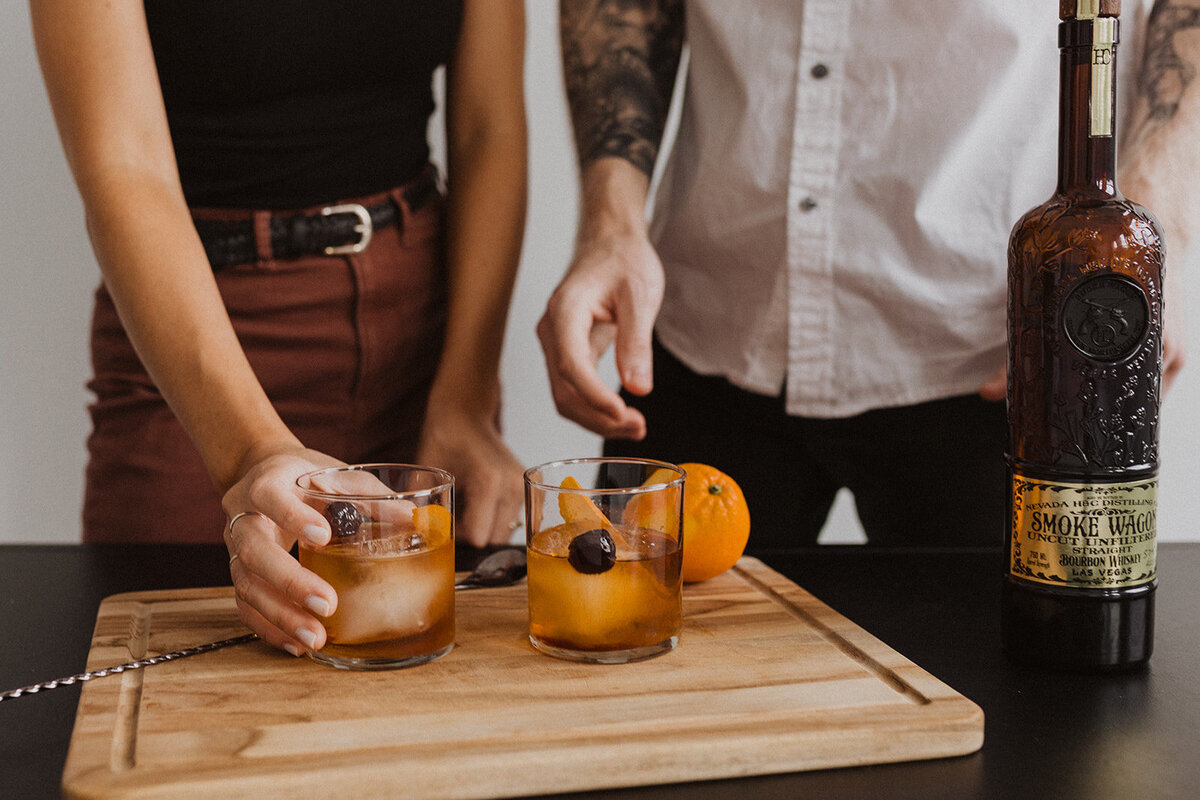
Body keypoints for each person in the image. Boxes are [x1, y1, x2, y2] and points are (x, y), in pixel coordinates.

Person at [539, 0, 1191, 551]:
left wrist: (1137, 238)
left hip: (999, 350)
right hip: (702, 315)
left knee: (1013, 690)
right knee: (640, 670)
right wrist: (610, 226)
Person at [31, 1, 526, 656]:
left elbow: (489, 129)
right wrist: (248, 451)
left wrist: (466, 390)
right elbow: (126, 167)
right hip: (202, 336)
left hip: (429, 334)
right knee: (172, 692)